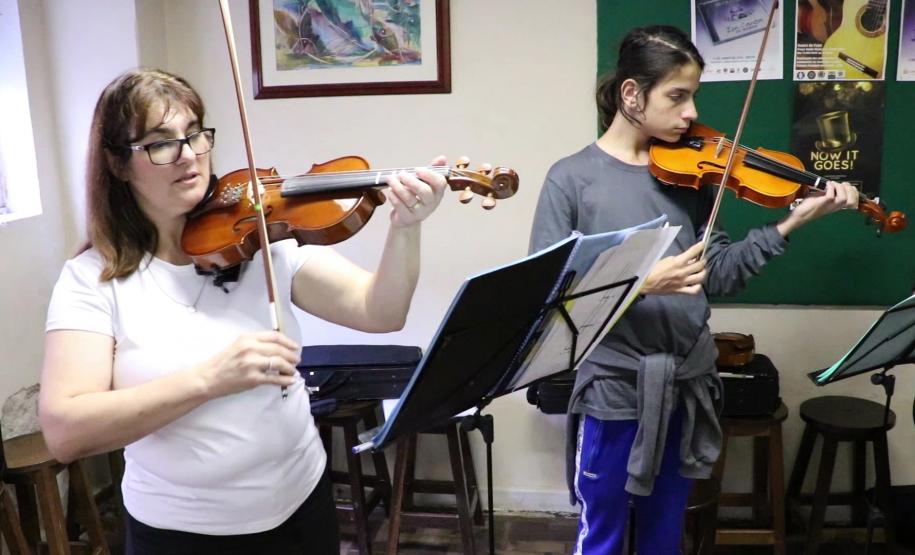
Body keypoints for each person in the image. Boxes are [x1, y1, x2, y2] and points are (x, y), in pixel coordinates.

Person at [38, 68, 450, 555]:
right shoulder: (93, 278)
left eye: (195, 134)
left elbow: (380, 312)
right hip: (183, 535)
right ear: (119, 164)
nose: (189, 155)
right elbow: (65, 430)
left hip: (302, 508)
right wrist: (210, 379)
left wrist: (406, 227)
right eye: (160, 143)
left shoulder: (259, 233)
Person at [528, 26, 858, 555]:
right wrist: (641, 284)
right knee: (604, 534)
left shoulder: (692, 175)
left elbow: (719, 273)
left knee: (665, 534)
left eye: (693, 96)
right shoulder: (571, 179)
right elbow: (546, 298)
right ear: (631, 95)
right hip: (613, 391)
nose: (690, 113)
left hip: (687, 383)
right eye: (677, 96)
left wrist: (791, 223)